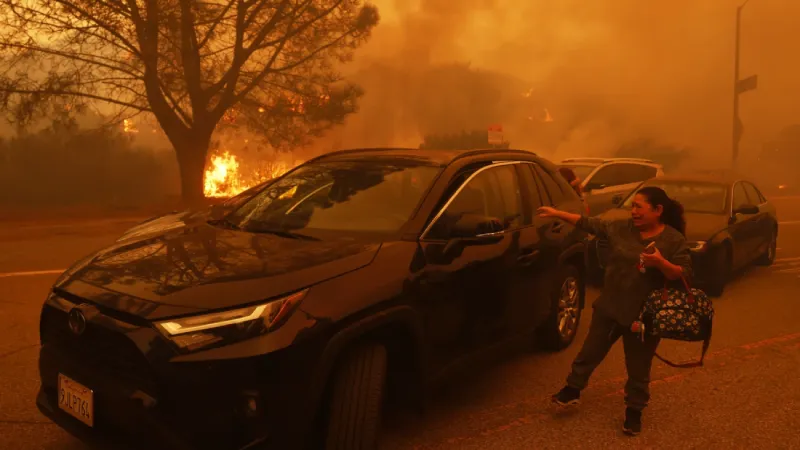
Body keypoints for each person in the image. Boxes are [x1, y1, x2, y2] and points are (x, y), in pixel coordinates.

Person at [537, 186, 692, 436]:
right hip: (610, 307)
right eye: (632, 206)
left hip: (644, 317)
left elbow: (683, 274)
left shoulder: (673, 240)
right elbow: (589, 223)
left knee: (638, 367)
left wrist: (660, 262)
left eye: (639, 207)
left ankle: (634, 411)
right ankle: (572, 389)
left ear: (657, 210)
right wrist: (557, 213)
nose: (634, 212)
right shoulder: (620, 228)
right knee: (590, 352)